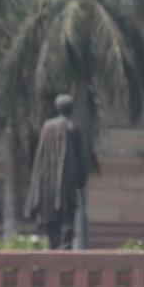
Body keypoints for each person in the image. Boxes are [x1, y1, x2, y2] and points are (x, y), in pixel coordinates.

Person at [27, 94, 89, 249]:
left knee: (51, 218)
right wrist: (81, 179)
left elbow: (40, 156)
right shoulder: (73, 127)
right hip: (67, 180)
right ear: (71, 109)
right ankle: (65, 249)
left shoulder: (47, 126)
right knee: (67, 215)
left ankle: (53, 247)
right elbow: (82, 157)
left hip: (48, 180)